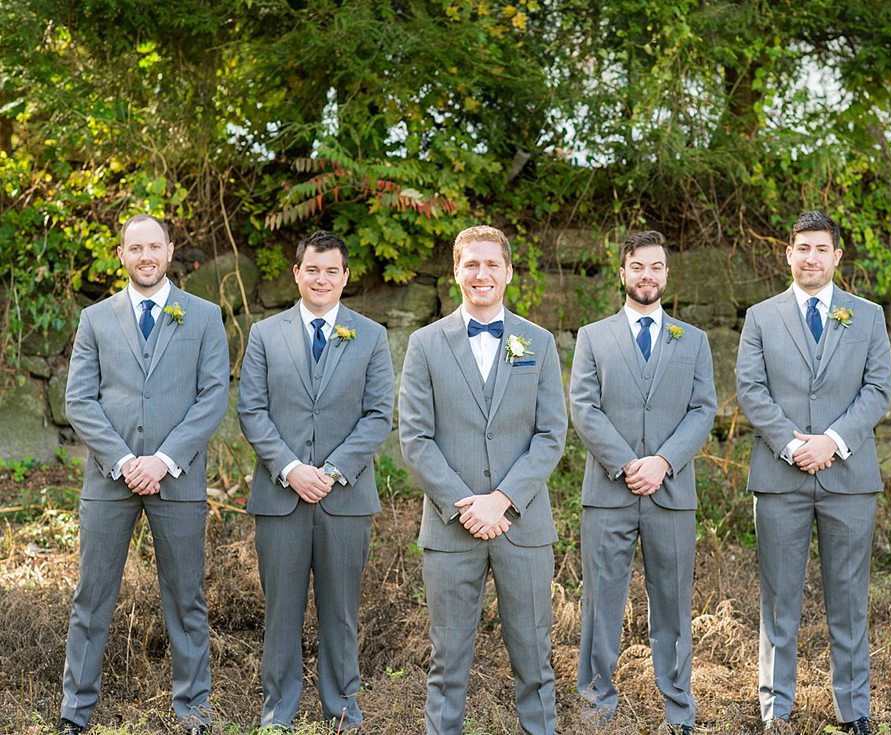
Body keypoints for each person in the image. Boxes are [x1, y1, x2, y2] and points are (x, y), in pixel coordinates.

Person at [60, 214, 229, 735]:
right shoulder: (96, 319)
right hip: (109, 479)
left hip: (177, 479)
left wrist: (163, 459)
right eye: (136, 248)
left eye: (154, 246)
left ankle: (194, 711)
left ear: (170, 251)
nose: (146, 256)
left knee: (186, 597)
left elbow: (212, 396)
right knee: (92, 596)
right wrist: (125, 460)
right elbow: (79, 400)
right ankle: (75, 712)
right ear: (121, 255)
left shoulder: (202, 316)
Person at [398, 225, 567, 735]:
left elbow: (550, 434)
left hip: (524, 526)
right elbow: (416, 438)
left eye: (492, 264)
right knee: (447, 662)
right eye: (471, 264)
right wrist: (466, 504)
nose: (482, 274)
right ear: (456, 272)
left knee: (534, 659)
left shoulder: (537, 342)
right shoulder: (425, 345)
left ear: (509, 272)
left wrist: (503, 500)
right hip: (452, 529)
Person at [735, 210, 891, 734]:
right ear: (788, 253)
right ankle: (776, 710)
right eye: (802, 247)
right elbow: (752, 391)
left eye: (821, 249)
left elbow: (877, 391)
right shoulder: (761, 316)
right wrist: (791, 445)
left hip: (848, 477)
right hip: (781, 478)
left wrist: (834, 442)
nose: (811, 257)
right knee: (779, 598)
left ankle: (855, 710)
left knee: (849, 597)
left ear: (836, 256)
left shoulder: (867, 315)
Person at [238, 230, 394, 731]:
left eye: (332, 270)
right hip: (280, 497)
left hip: (343, 499)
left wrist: (329, 472)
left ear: (346, 277)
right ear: (296, 274)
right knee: (281, 612)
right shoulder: (265, 334)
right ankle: (277, 715)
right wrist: (290, 469)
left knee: (341, 614)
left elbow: (377, 416)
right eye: (312, 269)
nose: (321, 278)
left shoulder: (371, 336)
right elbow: (252, 410)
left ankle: (343, 713)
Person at [570, 230, 716, 734]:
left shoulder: (692, 340)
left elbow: (703, 410)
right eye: (637, 266)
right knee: (599, 606)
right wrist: (630, 463)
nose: (647, 275)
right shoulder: (593, 336)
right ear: (623, 273)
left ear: (666, 275)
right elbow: (583, 408)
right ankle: (595, 710)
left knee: (673, 606)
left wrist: (663, 462)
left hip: (672, 493)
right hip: (609, 493)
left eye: (656, 266)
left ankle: (678, 713)